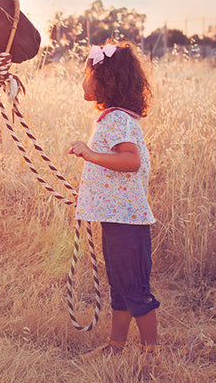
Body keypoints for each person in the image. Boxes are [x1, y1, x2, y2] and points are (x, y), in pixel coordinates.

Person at [69, 41, 159, 358]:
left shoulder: (119, 120)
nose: (83, 81)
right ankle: (115, 346)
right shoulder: (112, 119)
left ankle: (151, 354)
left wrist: (91, 154)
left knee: (134, 289)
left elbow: (130, 162)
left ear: (105, 80)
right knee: (120, 288)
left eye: (87, 73)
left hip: (127, 222)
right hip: (118, 219)